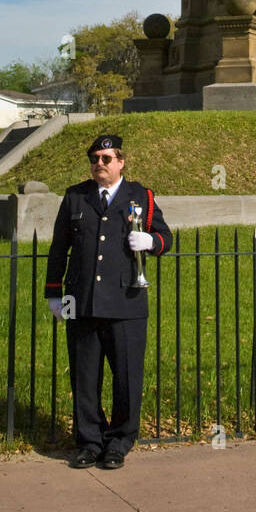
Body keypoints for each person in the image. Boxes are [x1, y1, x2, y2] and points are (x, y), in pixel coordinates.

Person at [45, 133, 173, 469]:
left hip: (125, 300)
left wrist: (150, 240)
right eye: (94, 159)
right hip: (82, 300)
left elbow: (166, 237)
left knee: (126, 378)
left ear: (121, 161)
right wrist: (55, 294)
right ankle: (89, 441)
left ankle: (119, 441)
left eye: (106, 159)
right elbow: (59, 247)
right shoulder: (76, 197)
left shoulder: (140, 196)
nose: (99, 164)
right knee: (85, 377)